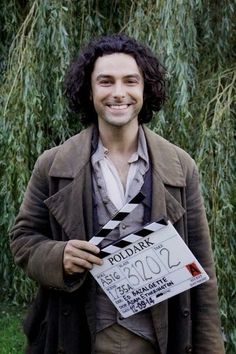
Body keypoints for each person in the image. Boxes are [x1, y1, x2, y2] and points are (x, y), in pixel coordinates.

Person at [10, 34, 225, 354]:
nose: (119, 92)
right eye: (106, 82)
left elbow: (201, 272)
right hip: (79, 337)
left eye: (130, 81)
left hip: (158, 341)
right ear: (89, 90)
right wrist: (59, 255)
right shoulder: (52, 165)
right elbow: (23, 239)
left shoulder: (180, 167)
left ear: (145, 89)